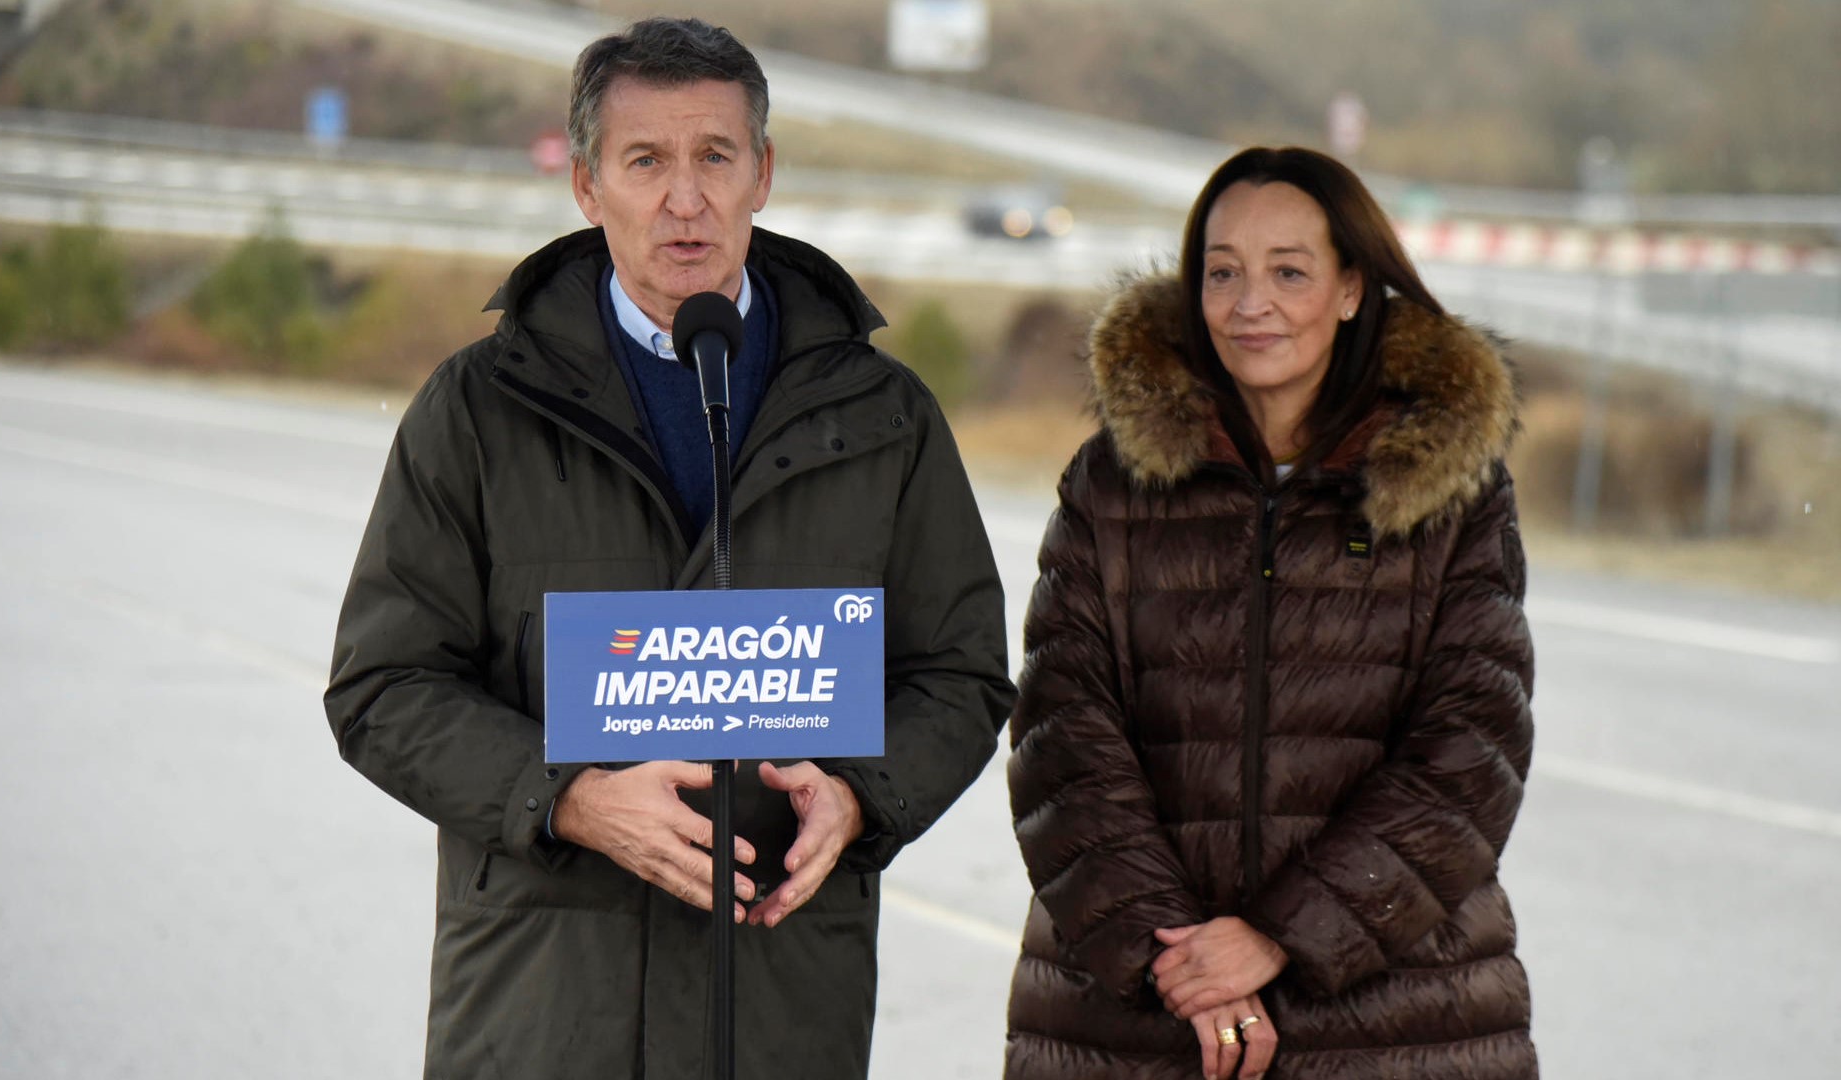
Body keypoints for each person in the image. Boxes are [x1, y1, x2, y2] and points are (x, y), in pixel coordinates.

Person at [323, 17, 1014, 1079]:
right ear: (588, 186)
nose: (683, 200)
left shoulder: (883, 415)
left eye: (714, 158)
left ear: (762, 175)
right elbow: (382, 684)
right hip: (545, 999)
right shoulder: (477, 410)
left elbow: (957, 672)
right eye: (645, 161)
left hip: (781, 1002)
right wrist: (563, 797)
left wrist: (864, 792)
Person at [1002, 146, 1535, 1080]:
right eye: (1222, 272)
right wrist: (1186, 964)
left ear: (1349, 289)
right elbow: (1061, 730)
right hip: (1133, 1013)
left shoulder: (1448, 489)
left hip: (1397, 1018)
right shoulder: (1112, 482)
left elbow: (1470, 747)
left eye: (1288, 271)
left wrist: (1280, 938)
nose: (1250, 304)